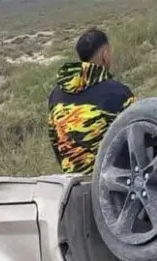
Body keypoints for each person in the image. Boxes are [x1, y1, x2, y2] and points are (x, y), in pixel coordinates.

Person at [47, 27, 135, 175]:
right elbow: (140, 137)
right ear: (105, 56)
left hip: (73, 184)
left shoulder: (55, 96)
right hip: (112, 185)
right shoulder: (118, 93)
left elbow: (55, 143)